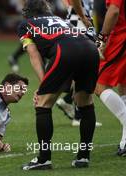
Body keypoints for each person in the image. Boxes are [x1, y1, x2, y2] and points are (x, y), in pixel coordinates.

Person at [18, 0, 99, 170]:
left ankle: (44, 159)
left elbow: (33, 55)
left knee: (43, 104)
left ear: (28, 12)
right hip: (90, 50)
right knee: (85, 102)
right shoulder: (62, 20)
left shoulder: (26, 24)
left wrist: (43, 87)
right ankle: (83, 156)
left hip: (65, 50)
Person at [56, 0, 102, 127]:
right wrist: (82, 16)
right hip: (80, 22)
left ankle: (70, 105)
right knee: (85, 66)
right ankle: (78, 115)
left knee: (80, 69)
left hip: (80, 20)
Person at [94, 0, 126, 156]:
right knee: (124, 85)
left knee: (99, 85)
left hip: (121, 37)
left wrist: (101, 39)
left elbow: (113, 11)